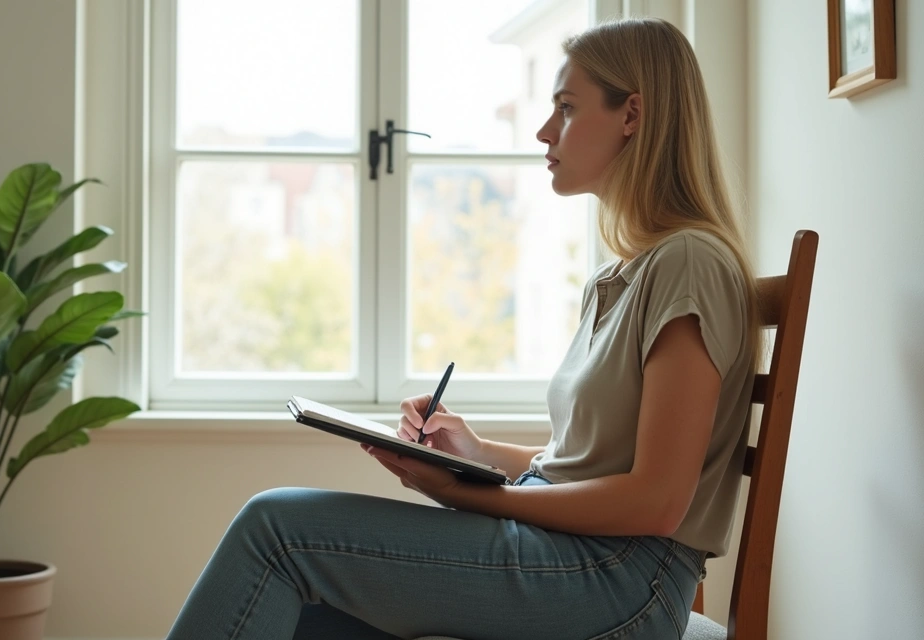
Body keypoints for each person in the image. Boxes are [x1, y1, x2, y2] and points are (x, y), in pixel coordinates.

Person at [165, 16, 760, 640]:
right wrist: (474, 454)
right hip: (573, 553)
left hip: (615, 578)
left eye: (565, 108)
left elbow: (656, 501)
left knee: (275, 528)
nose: (543, 131)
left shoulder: (689, 262)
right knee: (310, 613)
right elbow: (587, 463)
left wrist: (470, 494)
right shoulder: (623, 275)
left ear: (631, 115)